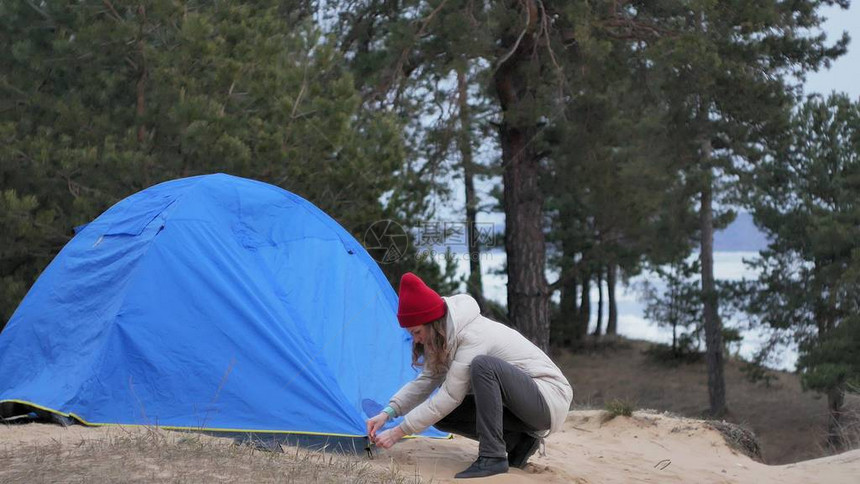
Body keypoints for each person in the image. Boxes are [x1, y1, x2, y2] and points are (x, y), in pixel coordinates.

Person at [367, 272, 574, 478]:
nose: (416, 340)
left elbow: (450, 396)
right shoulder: (440, 338)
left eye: (416, 332)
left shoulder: (473, 335)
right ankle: (518, 442)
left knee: (483, 367)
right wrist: (388, 412)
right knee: (444, 415)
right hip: (522, 405)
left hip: (548, 398)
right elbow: (426, 381)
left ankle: (492, 457)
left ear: (431, 322)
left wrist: (398, 432)